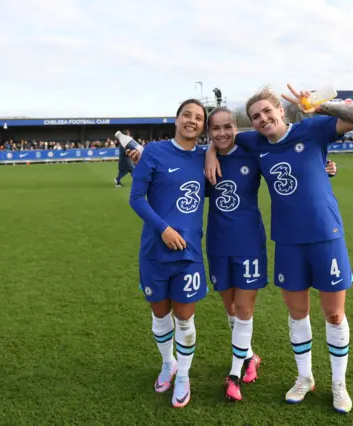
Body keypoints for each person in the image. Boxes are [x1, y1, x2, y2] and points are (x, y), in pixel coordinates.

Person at [205, 84, 353, 414]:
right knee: (297, 314)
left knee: (334, 314)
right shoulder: (254, 141)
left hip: (326, 234)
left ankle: (339, 383)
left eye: (268, 111)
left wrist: (320, 106)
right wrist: (210, 150)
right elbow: (223, 137)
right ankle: (305, 377)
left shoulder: (313, 128)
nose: (263, 118)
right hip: (287, 241)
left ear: (282, 110)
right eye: (255, 116)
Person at [129, 99, 208, 408]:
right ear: (176, 120)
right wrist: (163, 228)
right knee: (160, 315)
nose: (192, 120)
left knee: (185, 320)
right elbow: (137, 199)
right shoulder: (154, 152)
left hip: (188, 254)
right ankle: (168, 363)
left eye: (198, 117)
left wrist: (323, 168)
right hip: (153, 251)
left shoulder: (206, 157)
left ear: (202, 126)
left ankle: (184, 375)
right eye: (186, 115)